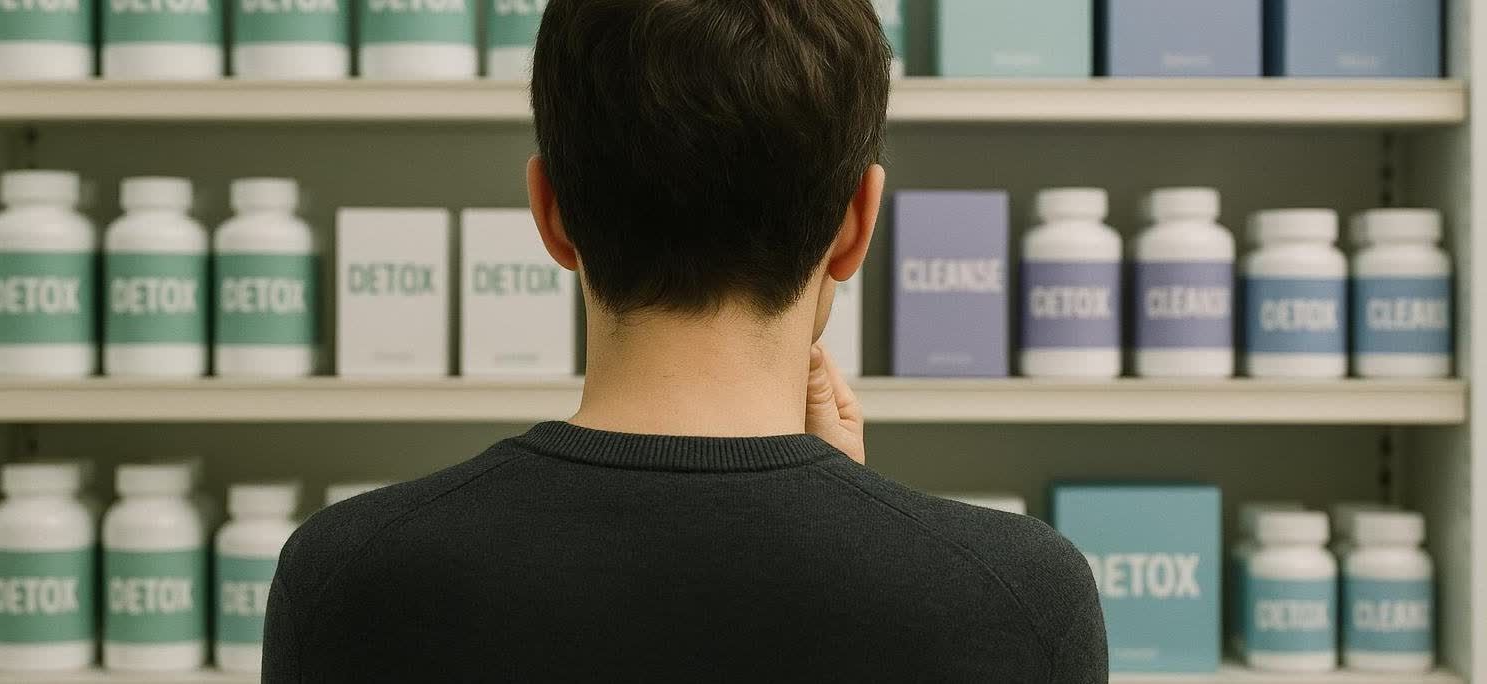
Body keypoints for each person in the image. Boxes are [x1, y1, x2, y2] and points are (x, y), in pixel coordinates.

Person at [261, 1, 1107, 681]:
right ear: (857, 225)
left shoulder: (349, 578)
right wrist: (856, 532)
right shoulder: (1021, 599)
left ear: (550, 213)